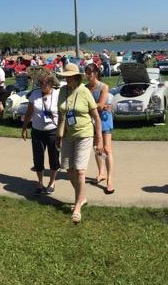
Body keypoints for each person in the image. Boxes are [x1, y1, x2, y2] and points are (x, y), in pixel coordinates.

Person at [58, 63, 102, 224]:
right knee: (69, 169)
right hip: (67, 135)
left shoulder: (84, 91)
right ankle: (82, 197)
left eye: (70, 77)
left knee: (80, 170)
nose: (67, 79)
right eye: (65, 77)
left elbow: (96, 117)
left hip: (84, 134)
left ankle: (77, 206)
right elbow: (61, 114)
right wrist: (58, 134)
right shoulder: (62, 90)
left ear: (77, 77)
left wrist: (99, 139)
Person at [21, 71, 61, 196]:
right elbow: (29, 112)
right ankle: (39, 183)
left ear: (51, 83)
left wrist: (62, 131)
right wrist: (24, 128)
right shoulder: (35, 94)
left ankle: (52, 182)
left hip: (53, 131)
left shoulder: (58, 94)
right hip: (37, 131)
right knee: (38, 158)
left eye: (45, 83)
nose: (42, 85)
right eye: (40, 82)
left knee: (54, 158)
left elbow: (63, 113)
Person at [85, 63, 116, 195]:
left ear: (96, 73)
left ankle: (109, 180)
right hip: (91, 121)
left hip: (104, 120)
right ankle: (101, 173)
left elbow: (101, 105)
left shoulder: (104, 87)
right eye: (86, 73)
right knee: (97, 148)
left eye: (90, 73)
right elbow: (93, 106)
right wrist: (94, 107)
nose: (87, 75)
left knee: (107, 149)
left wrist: (89, 107)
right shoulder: (85, 88)